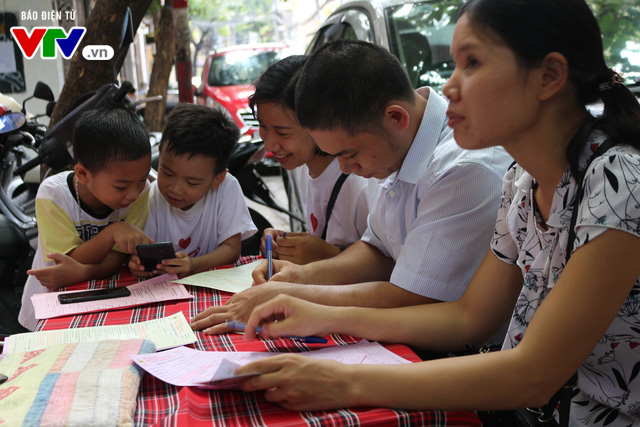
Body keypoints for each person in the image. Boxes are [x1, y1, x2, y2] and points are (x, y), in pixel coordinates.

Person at [230, 0, 640, 425]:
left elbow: (532, 374)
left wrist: (343, 381)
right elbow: (468, 317)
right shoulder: (522, 180)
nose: (449, 86)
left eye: (473, 62)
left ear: (549, 77)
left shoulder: (617, 179)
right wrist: (321, 312)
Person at [190, 40, 512, 333]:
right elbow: (377, 249)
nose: (345, 168)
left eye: (349, 154)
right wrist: (300, 277)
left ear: (395, 118)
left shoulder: (463, 169)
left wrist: (293, 294)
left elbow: (412, 298)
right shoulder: (395, 146)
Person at [22, 107, 153, 331]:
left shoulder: (141, 193)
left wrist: (83, 272)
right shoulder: (53, 195)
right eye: (121, 186)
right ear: (82, 174)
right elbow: (68, 260)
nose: (133, 193)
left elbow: (113, 260)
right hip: (49, 308)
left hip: (102, 305)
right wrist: (113, 232)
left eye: (142, 179)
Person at [250, 55, 370, 264]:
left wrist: (331, 255)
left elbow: (392, 265)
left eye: (283, 133)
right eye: (263, 127)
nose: (269, 145)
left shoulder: (362, 181)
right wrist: (287, 245)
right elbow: (321, 237)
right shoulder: (302, 166)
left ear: (321, 123)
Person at [128, 103, 257, 278]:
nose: (175, 189)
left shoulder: (226, 188)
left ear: (217, 179)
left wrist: (193, 265)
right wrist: (137, 263)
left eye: (191, 183)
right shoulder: (152, 195)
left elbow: (232, 249)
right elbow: (144, 249)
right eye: (167, 173)